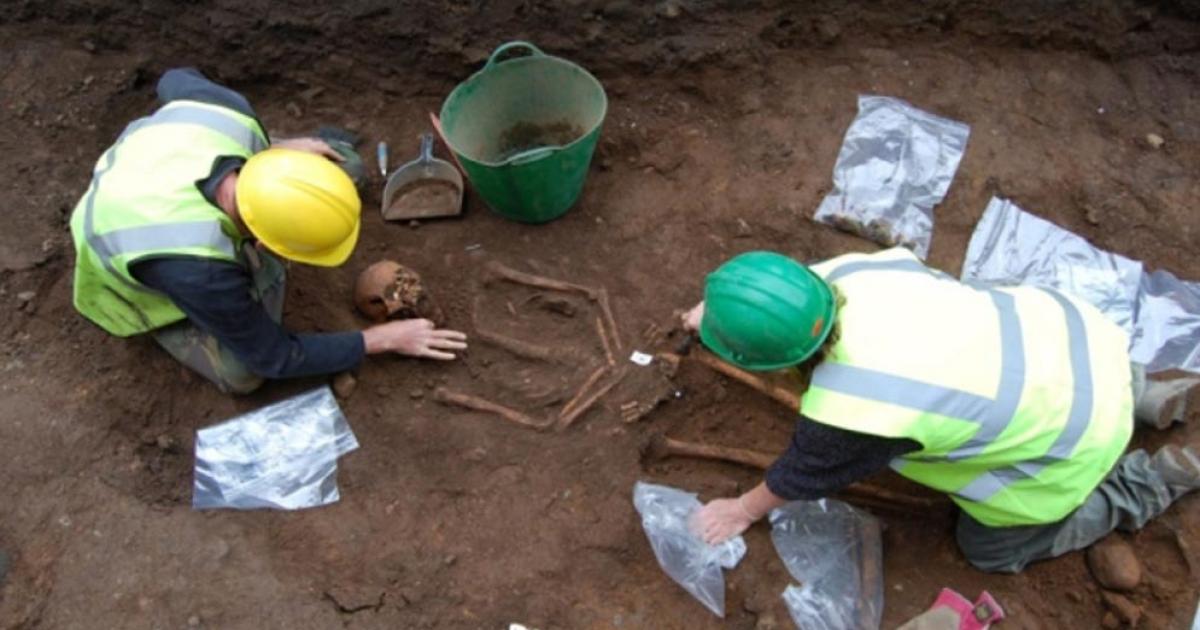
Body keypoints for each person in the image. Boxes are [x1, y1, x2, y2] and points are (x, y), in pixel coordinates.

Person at [685, 246, 1200, 573]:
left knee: (989, 550)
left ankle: (1145, 484)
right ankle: (1145, 395)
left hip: (1071, 439)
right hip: (1083, 344)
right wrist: (730, 311)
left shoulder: (854, 409)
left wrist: (741, 510)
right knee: (1026, 350)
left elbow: (802, 474)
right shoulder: (855, 270)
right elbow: (778, 298)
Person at [69, 67, 467, 393]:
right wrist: (382, 339)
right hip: (127, 264)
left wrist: (279, 146)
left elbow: (174, 78)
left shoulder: (230, 112)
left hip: (157, 173)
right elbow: (275, 356)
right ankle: (170, 325)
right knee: (243, 375)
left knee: (345, 165)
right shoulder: (203, 270)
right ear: (261, 244)